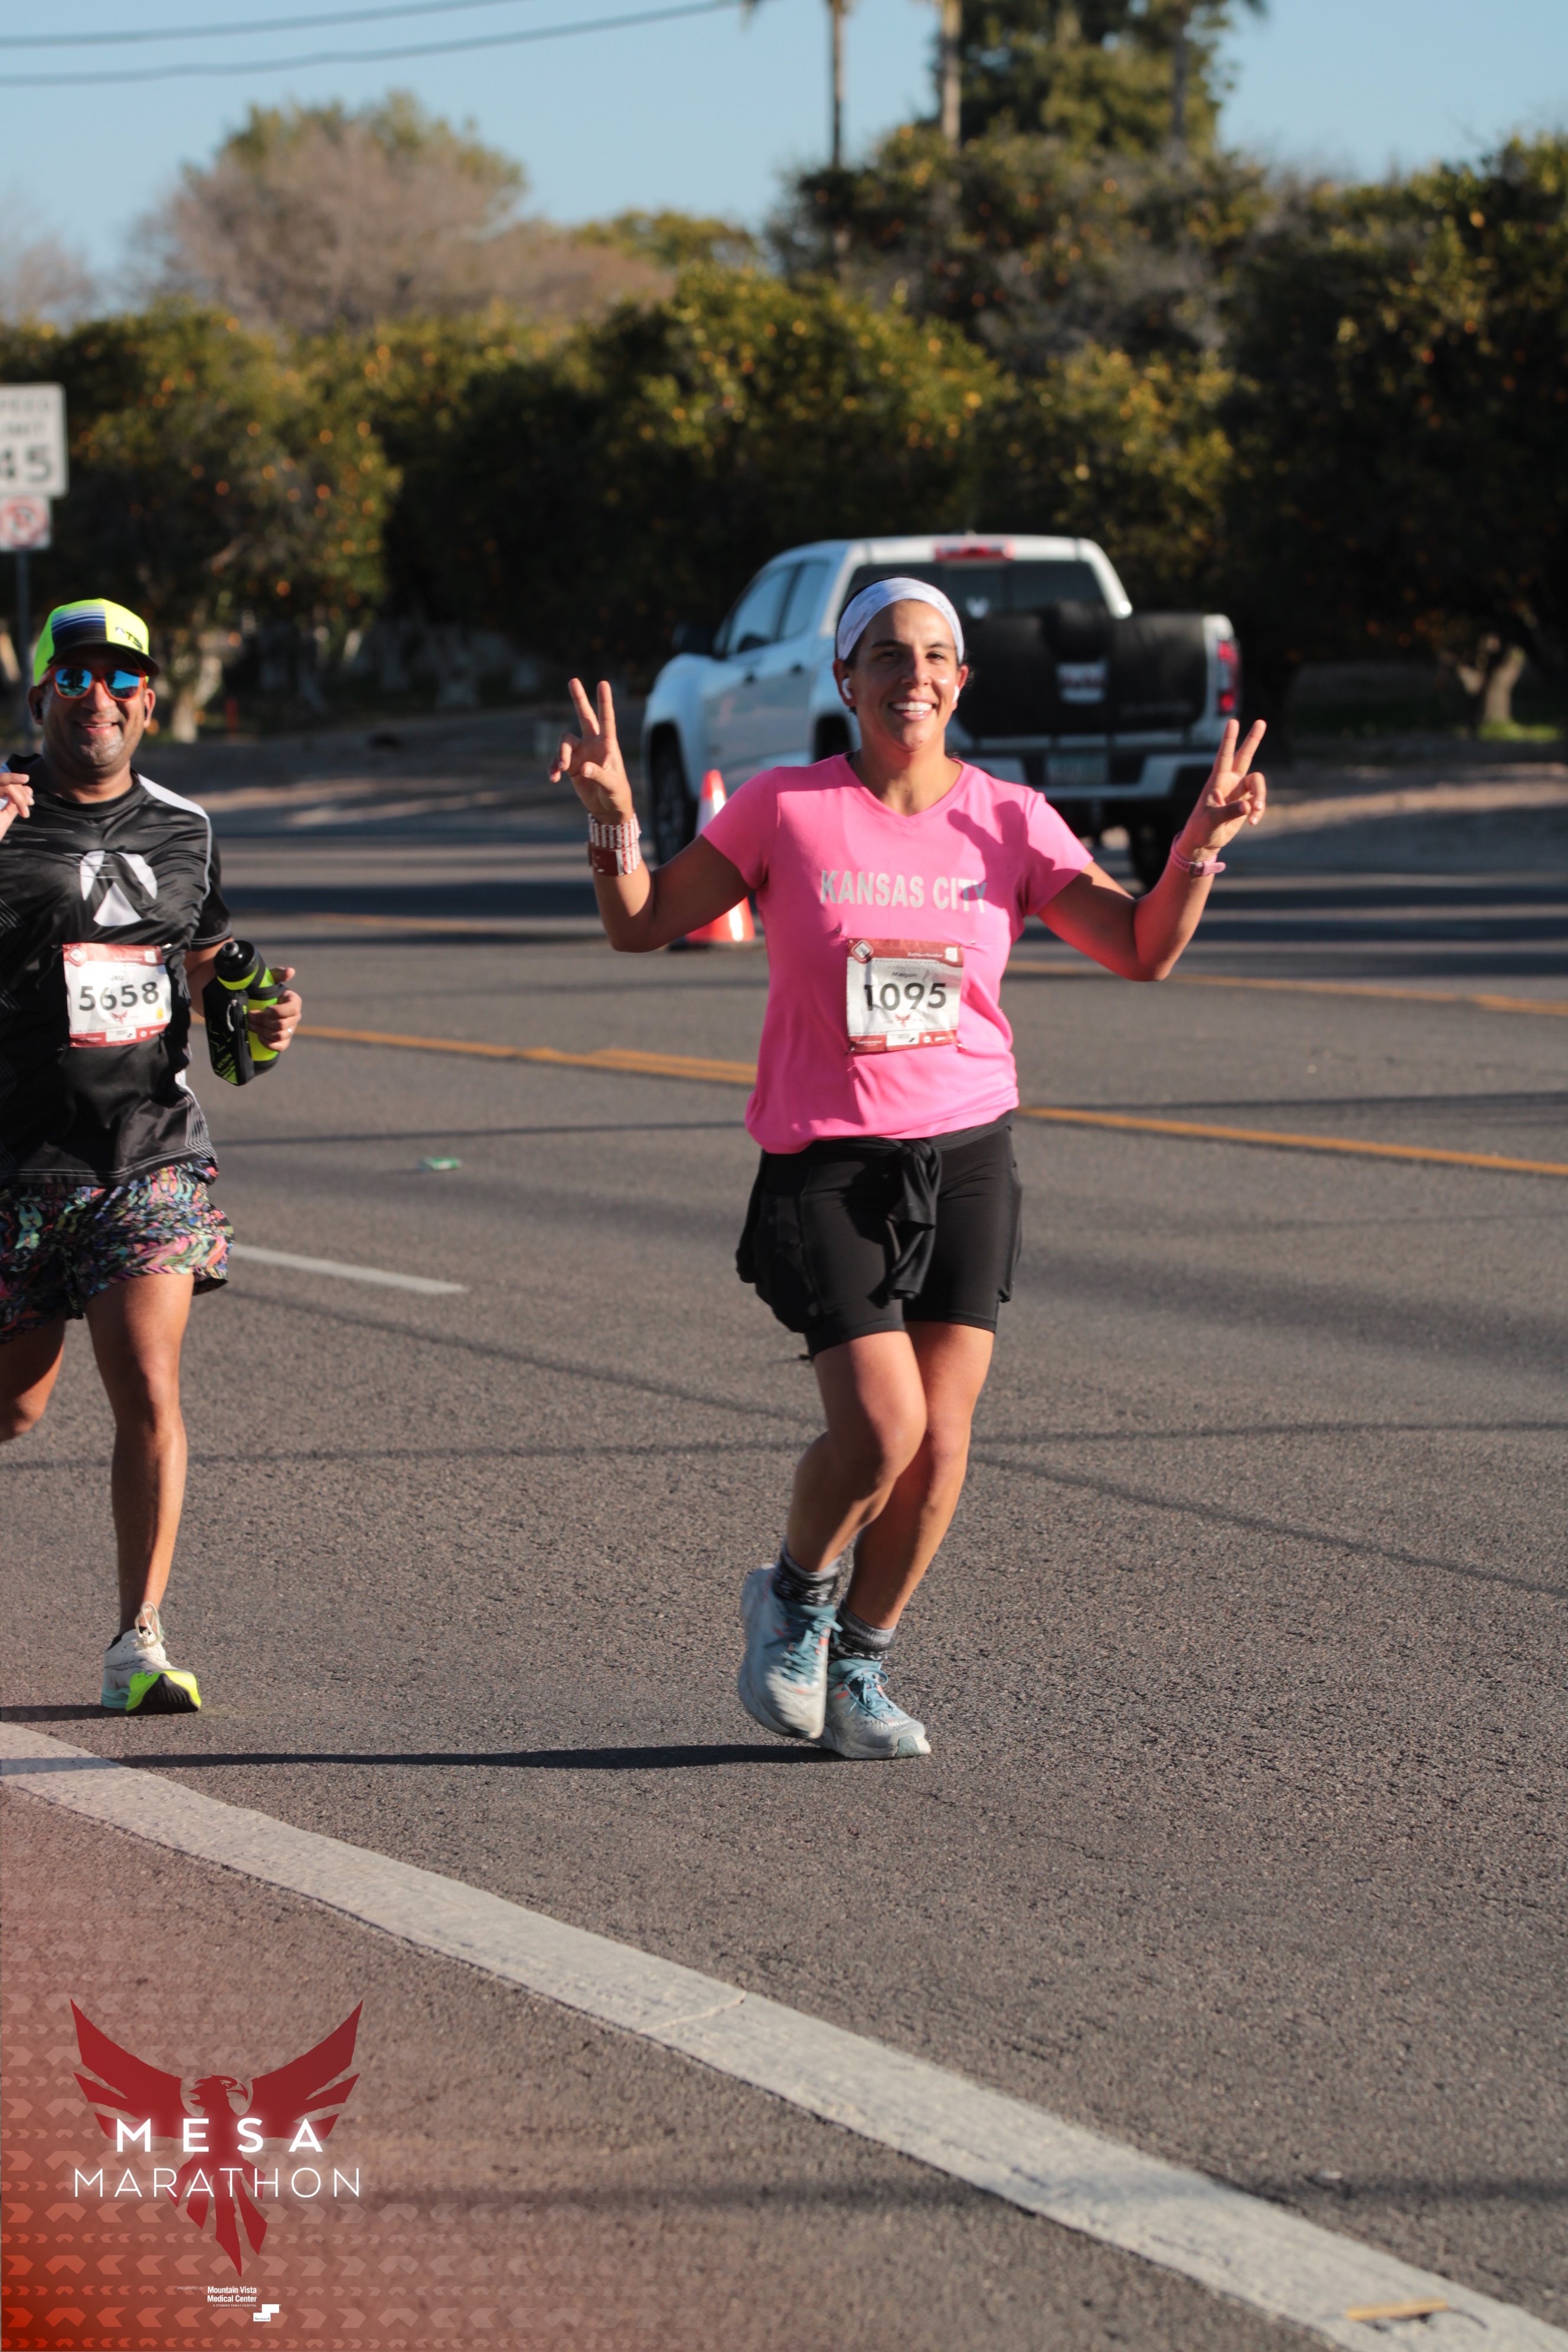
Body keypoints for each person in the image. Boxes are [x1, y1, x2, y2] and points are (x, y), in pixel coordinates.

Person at [556, 578, 1265, 1760]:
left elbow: (1141, 950)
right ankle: (792, 1600)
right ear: (845, 680)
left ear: (961, 682)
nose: (914, 676)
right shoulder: (785, 809)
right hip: (828, 1159)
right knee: (883, 1430)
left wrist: (1198, 844)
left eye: (936, 656)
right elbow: (641, 921)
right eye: (887, 655)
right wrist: (614, 817)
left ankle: (860, 1667)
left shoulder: (1010, 819)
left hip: (968, 1152)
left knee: (941, 1445)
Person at [0, 599, 303, 1713]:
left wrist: (256, 1014)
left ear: (149, 702)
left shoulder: (186, 827)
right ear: (41, 694)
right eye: (76, 677)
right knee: (16, 1411)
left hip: (145, 1152)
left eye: (121, 678)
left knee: (149, 1383)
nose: (100, 696)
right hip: (14, 1161)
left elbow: (208, 962)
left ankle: (139, 1638)